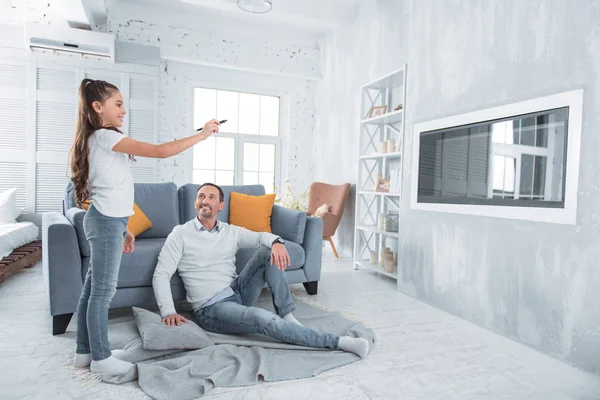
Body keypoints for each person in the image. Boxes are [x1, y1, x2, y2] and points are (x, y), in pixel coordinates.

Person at [70, 78, 221, 375]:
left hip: (108, 220)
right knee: (102, 292)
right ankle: (101, 359)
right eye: (118, 104)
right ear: (97, 107)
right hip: (104, 222)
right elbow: (161, 151)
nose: (124, 110)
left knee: (91, 290)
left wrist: (124, 226)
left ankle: (85, 352)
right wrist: (202, 135)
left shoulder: (99, 139)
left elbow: (111, 189)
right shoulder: (104, 136)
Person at [152, 183, 369, 358]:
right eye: (201, 196)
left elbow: (259, 237)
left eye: (211, 197)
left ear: (220, 205)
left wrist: (276, 242)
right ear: (195, 203)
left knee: (267, 250)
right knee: (263, 319)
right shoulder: (180, 233)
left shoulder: (230, 231)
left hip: (236, 292)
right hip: (210, 309)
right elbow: (161, 274)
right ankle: (338, 342)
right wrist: (169, 311)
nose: (205, 201)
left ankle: (287, 314)